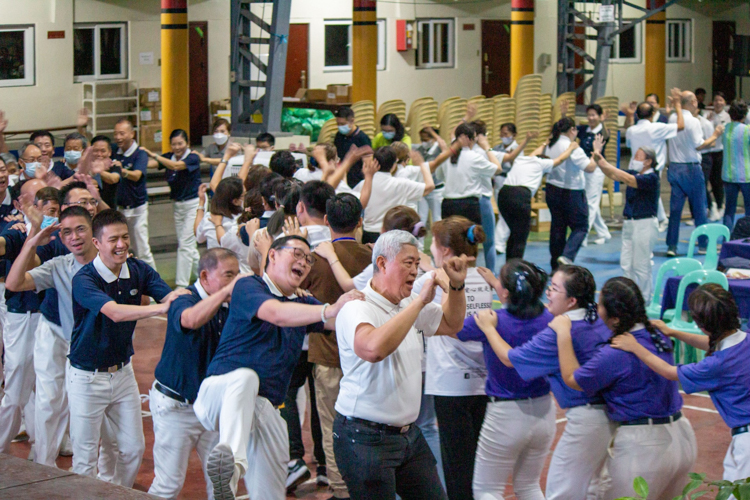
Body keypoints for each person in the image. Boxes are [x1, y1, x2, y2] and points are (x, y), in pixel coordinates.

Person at [192, 235, 362, 500]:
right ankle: (231, 470)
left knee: (271, 493)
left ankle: (226, 482)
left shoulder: (304, 303)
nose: (304, 262)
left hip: (265, 409)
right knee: (246, 379)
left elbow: (338, 320)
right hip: (218, 397)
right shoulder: (249, 286)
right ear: (272, 255)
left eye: (308, 259)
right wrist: (328, 309)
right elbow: (277, 314)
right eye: (297, 253)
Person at [333, 230, 469, 500]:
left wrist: (456, 286)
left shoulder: (407, 304)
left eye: (418, 264)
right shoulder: (357, 306)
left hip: (407, 436)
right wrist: (419, 303)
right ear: (382, 263)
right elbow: (373, 348)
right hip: (364, 437)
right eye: (408, 263)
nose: (415, 271)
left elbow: (452, 323)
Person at [67, 209, 186, 486]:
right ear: (97, 243)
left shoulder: (139, 269)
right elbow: (115, 312)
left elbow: (169, 296)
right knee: (85, 458)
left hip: (123, 374)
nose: (121, 244)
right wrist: (163, 307)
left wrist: (184, 299)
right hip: (86, 378)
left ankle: (115, 493)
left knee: (133, 449)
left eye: (124, 237)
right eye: (113, 240)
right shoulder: (84, 279)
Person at [552, 277, 697, 499]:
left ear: (615, 318)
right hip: (682, 436)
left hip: (644, 446)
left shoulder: (617, 351)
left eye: (600, 305)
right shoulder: (658, 334)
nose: (596, 309)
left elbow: (573, 379)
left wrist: (562, 333)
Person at [477, 265, 614, 499]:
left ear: (571, 301)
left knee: (558, 492)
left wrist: (489, 329)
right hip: (609, 416)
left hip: (585, 419)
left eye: (554, 289)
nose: (547, 294)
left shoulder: (559, 329)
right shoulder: (599, 321)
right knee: (590, 490)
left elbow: (511, 359)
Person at [611, 284, 750, 482]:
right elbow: (711, 343)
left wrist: (635, 347)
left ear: (703, 325)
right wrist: (674, 332)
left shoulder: (716, 365)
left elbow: (669, 372)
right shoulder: (744, 339)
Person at [148, 248, 245, 499]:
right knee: (168, 485)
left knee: (223, 485)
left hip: (213, 410)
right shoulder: (184, 298)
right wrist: (226, 292)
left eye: (237, 275)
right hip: (177, 408)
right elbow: (190, 320)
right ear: (204, 277)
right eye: (228, 276)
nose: (235, 282)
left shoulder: (228, 303)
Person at [459, 260, 556, 499]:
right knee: (529, 486)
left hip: (506, 415)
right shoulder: (548, 318)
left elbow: (454, 327)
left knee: (486, 490)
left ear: (505, 292)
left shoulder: (491, 320)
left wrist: (451, 287)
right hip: (544, 411)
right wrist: (500, 286)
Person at [300, 193, 373, 500]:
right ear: (360, 221)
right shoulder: (372, 256)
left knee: (331, 429)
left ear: (327, 221)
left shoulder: (314, 260)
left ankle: (340, 489)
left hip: (327, 356)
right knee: (368, 428)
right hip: (365, 355)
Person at [418, 217, 493, 500]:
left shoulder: (433, 280)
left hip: (450, 384)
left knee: (456, 468)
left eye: (434, 246)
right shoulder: (483, 278)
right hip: (481, 382)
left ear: (445, 251)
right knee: (477, 464)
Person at [281, 181, 336, 491]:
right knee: (322, 401)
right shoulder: (335, 241)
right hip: (327, 335)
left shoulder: (289, 243)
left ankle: (294, 460)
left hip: (294, 332)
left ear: (300, 209)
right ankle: (327, 464)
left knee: (288, 393)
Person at [593, 138, 660, 301]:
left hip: (644, 223)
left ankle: (644, 300)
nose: (633, 160)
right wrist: (598, 155)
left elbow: (628, 180)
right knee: (626, 263)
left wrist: (601, 160)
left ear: (648, 162)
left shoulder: (652, 178)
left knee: (641, 264)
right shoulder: (634, 173)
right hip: (629, 223)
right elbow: (612, 173)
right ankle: (629, 297)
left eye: (637, 157)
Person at [665, 89, 723, 257]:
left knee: (675, 211)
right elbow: (699, 145)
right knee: (699, 208)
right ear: (692, 103)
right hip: (691, 168)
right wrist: (715, 135)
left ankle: (671, 246)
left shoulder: (672, 118)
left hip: (675, 167)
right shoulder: (693, 121)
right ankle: (703, 244)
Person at [498, 140, 579, 259]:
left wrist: (544, 143)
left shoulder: (523, 159)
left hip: (503, 194)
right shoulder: (542, 163)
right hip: (520, 195)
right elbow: (560, 159)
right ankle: (514, 269)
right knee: (521, 237)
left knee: (515, 233)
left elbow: (535, 153)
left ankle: (508, 266)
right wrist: (571, 147)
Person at [142, 129, 201, 287]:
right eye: (174, 144)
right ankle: (204, 275)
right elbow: (149, 164)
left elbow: (175, 166)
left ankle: (181, 285)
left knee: (185, 245)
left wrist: (152, 153)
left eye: (180, 143)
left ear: (187, 143)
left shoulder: (193, 157)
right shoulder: (168, 157)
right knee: (188, 245)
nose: (177, 147)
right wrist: (136, 160)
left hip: (193, 204)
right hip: (177, 205)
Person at [622, 93, 684, 232]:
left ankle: (657, 219)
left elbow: (629, 137)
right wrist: (678, 106)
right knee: (652, 194)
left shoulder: (632, 130)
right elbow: (680, 126)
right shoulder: (657, 127)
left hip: (636, 167)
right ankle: (659, 219)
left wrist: (630, 116)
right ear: (652, 114)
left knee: (641, 194)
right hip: (652, 167)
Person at [544, 117, 596, 268]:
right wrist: (596, 153)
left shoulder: (551, 144)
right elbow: (589, 167)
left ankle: (555, 265)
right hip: (571, 191)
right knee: (581, 226)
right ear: (572, 130)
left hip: (552, 188)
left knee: (558, 227)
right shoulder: (572, 147)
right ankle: (567, 256)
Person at [359, 148, 435, 244]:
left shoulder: (365, 184)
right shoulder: (401, 184)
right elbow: (430, 186)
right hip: (393, 233)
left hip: (369, 234)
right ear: (394, 165)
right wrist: (422, 164)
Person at [112, 118, 157, 269]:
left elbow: (137, 175)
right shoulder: (114, 152)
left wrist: (121, 170)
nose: (118, 137)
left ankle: (155, 287)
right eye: (115, 134)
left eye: (122, 133)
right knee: (122, 249)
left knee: (142, 249)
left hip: (137, 208)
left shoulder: (140, 154)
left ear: (132, 134)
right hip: (120, 209)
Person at [577, 104, 612, 246]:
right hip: (584, 168)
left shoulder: (602, 132)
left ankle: (582, 236)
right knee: (591, 202)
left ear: (599, 116)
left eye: (594, 115)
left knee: (590, 203)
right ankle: (604, 232)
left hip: (596, 170)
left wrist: (604, 120)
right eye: (589, 115)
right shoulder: (584, 130)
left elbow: (606, 135)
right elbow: (569, 130)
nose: (591, 118)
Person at [721, 99, 750, 230]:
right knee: (748, 209)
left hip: (728, 174)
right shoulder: (747, 131)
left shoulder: (725, 129)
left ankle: (726, 239)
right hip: (746, 175)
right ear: (745, 115)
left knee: (729, 209)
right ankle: (747, 238)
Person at [492, 122, 519, 254]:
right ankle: (500, 242)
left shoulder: (518, 148)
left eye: (506, 134)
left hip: (510, 181)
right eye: (502, 133)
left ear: (513, 135)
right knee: (502, 211)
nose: (503, 136)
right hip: (498, 180)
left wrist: (512, 157)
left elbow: (518, 165)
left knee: (505, 213)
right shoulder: (497, 148)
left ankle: (499, 243)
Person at [704, 91, 730, 220]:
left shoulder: (728, 116)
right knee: (705, 181)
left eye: (720, 100)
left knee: (717, 182)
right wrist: (707, 122)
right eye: (716, 100)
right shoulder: (707, 115)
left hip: (720, 152)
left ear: (725, 103)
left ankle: (720, 206)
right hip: (708, 152)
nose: (718, 103)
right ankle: (710, 206)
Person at [413, 127, 446, 227]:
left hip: (437, 189)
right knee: (421, 217)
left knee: (437, 218)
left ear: (433, 139)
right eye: (422, 140)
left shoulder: (438, 149)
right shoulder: (419, 149)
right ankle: (420, 242)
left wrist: (433, 133)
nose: (423, 142)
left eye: (426, 140)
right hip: (424, 189)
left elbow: (444, 146)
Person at [333, 106, 372, 189]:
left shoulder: (363, 139)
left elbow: (368, 163)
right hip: (341, 178)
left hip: (357, 181)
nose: (340, 126)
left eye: (343, 124)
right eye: (338, 124)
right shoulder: (338, 136)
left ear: (352, 121)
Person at [90, 135, 121, 210]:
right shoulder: (85, 167)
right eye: (96, 151)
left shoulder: (114, 165)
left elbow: (113, 179)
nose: (99, 154)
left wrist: (97, 170)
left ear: (109, 152)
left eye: (103, 151)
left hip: (110, 213)